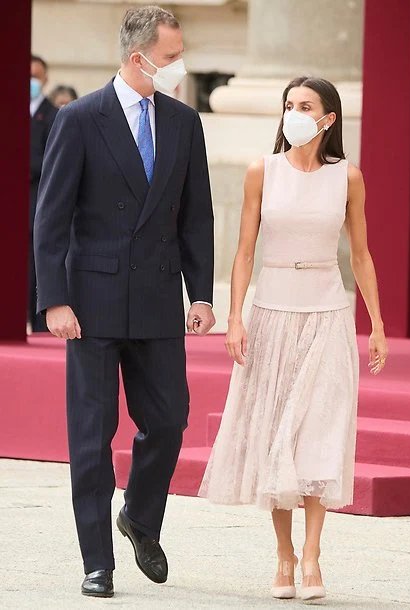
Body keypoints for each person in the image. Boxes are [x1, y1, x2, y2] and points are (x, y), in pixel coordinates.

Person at [34, 6, 215, 599]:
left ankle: (139, 515)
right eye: (170, 57)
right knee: (91, 436)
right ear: (138, 58)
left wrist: (203, 293)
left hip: (160, 297)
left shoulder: (186, 122)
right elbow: (51, 217)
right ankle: (97, 561)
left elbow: (196, 216)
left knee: (168, 421)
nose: (178, 66)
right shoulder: (81, 118)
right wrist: (53, 300)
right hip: (90, 303)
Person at [199, 76, 388, 601]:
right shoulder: (263, 170)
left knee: (317, 436)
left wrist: (375, 323)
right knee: (277, 437)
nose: (294, 113)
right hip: (272, 312)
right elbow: (241, 253)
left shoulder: (348, 178)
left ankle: (312, 555)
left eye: (305, 106)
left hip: (327, 312)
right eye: (289, 105)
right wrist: (234, 318)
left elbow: (361, 255)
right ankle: (283, 554)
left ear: (329, 119)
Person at [29, 54, 57, 332]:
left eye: (36, 76)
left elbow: (51, 160)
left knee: (36, 273)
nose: (31, 82)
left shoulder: (54, 115)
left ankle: (40, 328)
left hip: (37, 204)